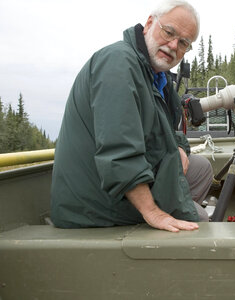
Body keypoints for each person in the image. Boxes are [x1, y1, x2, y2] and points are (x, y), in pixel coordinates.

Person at [51, 0, 213, 232]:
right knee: (199, 220)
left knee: (201, 169)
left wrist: (179, 148)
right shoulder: (119, 64)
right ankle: (166, 228)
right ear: (149, 24)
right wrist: (154, 213)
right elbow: (119, 153)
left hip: (115, 185)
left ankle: (175, 211)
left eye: (184, 43)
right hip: (93, 202)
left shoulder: (158, 78)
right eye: (169, 32)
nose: (173, 45)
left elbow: (166, 131)